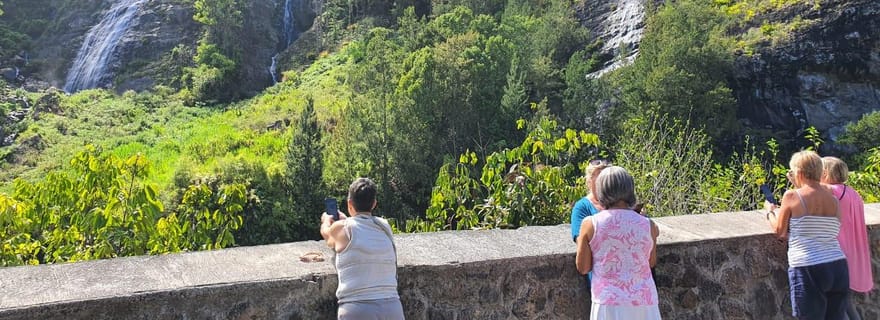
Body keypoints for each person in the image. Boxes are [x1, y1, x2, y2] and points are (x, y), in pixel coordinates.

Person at [765, 151, 849, 320]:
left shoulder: (791, 196)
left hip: (808, 266)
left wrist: (770, 212)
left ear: (799, 172)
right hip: (837, 265)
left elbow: (780, 232)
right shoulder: (833, 200)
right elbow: (832, 228)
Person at [576, 166, 661, 319]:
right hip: (644, 301)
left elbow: (583, 267)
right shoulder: (649, 225)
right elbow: (651, 262)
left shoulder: (590, 224)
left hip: (608, 302)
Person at [320, 178, 404, 320]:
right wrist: (347, 220)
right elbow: (361, 227)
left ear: (349, 203)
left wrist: (326, 221)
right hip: (392, 307)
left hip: (357, 308)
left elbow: (328, 237)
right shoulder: (385, 226)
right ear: (374, 204)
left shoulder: (342, 228)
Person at [821, 156, 873, 320]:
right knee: (846, 303)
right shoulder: (853, 193)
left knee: (836, 306)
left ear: (826, 172)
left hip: (836, 252)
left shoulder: (831, 191)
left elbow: (807, 191)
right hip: (852, 253)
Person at [571, 160, 610, 242]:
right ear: (590, 180)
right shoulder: (582, 207)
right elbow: (581, 241)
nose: (605, 182)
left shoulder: (619, 202)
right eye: (600, 178)